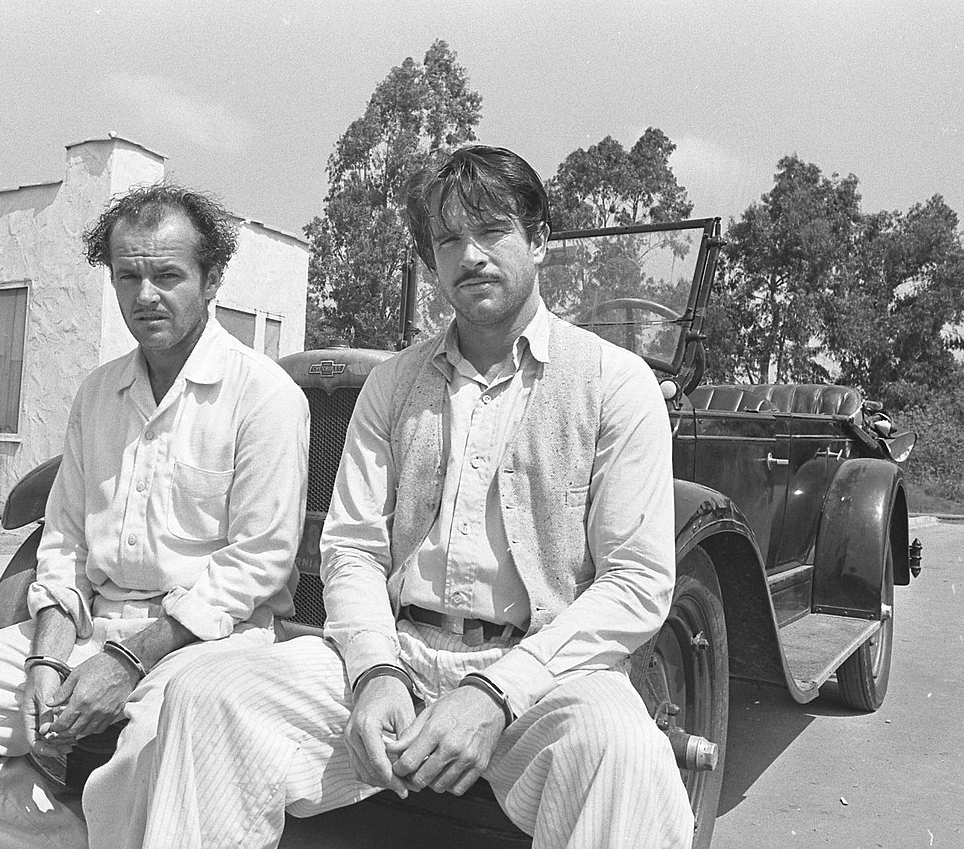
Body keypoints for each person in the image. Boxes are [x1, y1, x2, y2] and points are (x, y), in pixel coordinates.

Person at [127, 146, 695, 848]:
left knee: (627, 751)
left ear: (541, 240)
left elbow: (637, 583)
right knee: (206, 695)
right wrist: (373, 670)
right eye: (450, 239)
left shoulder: (615, 382)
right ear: (433, 259)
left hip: (544, 673)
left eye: (492, 231)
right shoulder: (391, 384)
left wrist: (496, 693)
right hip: (395, 652)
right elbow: (354, 549)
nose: (472, 255)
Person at [0, 184, 309, 849]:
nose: (145, 295)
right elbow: (64, 541)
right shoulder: (98, 392)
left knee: (149, 774)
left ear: (213, 277)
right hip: (89, 628)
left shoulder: (263, 395)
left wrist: (127, 662)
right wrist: (46, 658)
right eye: (127, 275)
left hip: (207, 646)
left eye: (167, 275)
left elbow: (258, 562)